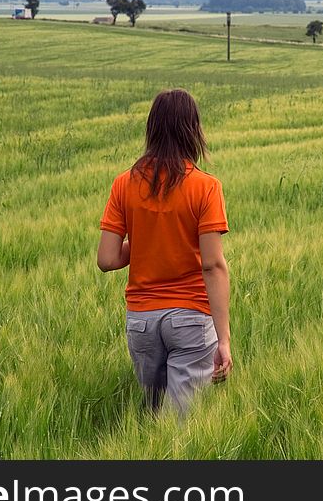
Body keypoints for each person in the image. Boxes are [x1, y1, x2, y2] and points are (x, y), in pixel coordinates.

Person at [97, 88, 232, 415]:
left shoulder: (123, 184)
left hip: (141, 321)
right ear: (193, 129)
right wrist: (224, 341)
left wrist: (146, 239)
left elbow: (107, 259)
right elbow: (213, 266)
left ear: (152, 128)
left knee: (152, 415)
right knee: (179, 429)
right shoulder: (205, 186)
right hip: (190, 318)